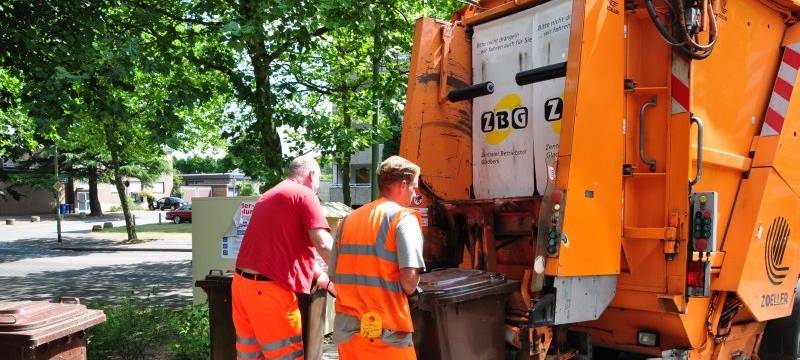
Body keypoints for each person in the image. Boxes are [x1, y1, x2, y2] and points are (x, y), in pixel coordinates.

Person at [232, 156, 333, 360]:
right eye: (320, 180)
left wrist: (322, 278)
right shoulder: (304, 194)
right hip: (270, 294)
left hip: (242, 288)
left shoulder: (269, 196)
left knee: (251, 355)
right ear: (312, 175)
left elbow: (284, 249)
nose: (317, 186)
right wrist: (351, 276)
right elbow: (324, 244)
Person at [330, 155, 425, 359]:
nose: (414, 193)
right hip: (387, 334)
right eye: (414, 187)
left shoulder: (347, 221)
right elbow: (409, 281)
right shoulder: (403, 218)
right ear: (402, 184)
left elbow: (334, 276)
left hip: (350, 333)